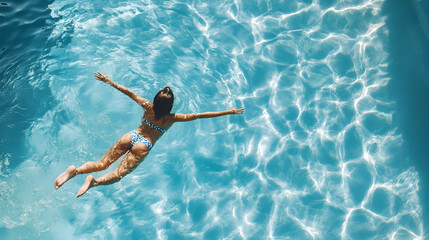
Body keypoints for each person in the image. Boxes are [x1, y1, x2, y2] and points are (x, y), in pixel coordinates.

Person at [54, 72, 244, 198]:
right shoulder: (172, 118)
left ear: (155, 100)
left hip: (131, 136)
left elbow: (128, 92)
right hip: (143, 145)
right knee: (118, 175)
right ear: (170, 106)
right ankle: (93, 182)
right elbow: (198, 115)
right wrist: (228, 111)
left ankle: (76, 171)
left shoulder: (147, 106)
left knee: (102, 163)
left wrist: (108, 81)